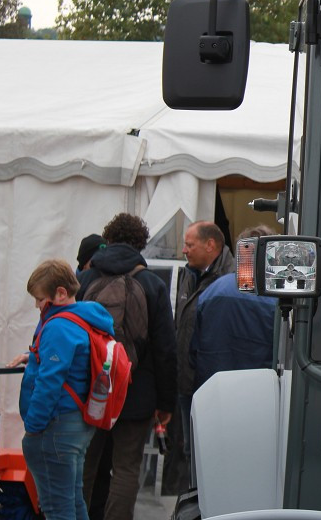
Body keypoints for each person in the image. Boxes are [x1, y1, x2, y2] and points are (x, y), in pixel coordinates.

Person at [77, 213, 177, 520]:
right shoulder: (151, 283)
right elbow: (165, 349)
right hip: (136, 390)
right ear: (141, 243)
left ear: (108, 238)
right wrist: (165, 402)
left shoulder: (86, 279)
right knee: (125, 469)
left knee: (85, 465)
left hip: (92, 387)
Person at [17, 259, 116, 520]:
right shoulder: (85, 318)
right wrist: (34, 358)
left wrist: (33, 427)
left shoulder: (59, 326)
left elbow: (50, 383)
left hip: (55, 426)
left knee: (56, 509)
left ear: (60, 293)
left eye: (40, 299)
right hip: (79, 421)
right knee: (73, 502)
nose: (38, 306)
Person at [174, 221, 236, 464]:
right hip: (187, 384)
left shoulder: (230, 280)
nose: (184, 251)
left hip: (214, 386)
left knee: (210, 456)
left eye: (190, 245)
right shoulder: (189, 274)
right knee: (190, 453)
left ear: (210, 245)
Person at [188, 225, 278, 392]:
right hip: (259, 392)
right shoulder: (278, 299)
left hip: (212, 389)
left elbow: (193, 349)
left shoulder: (212, 290)